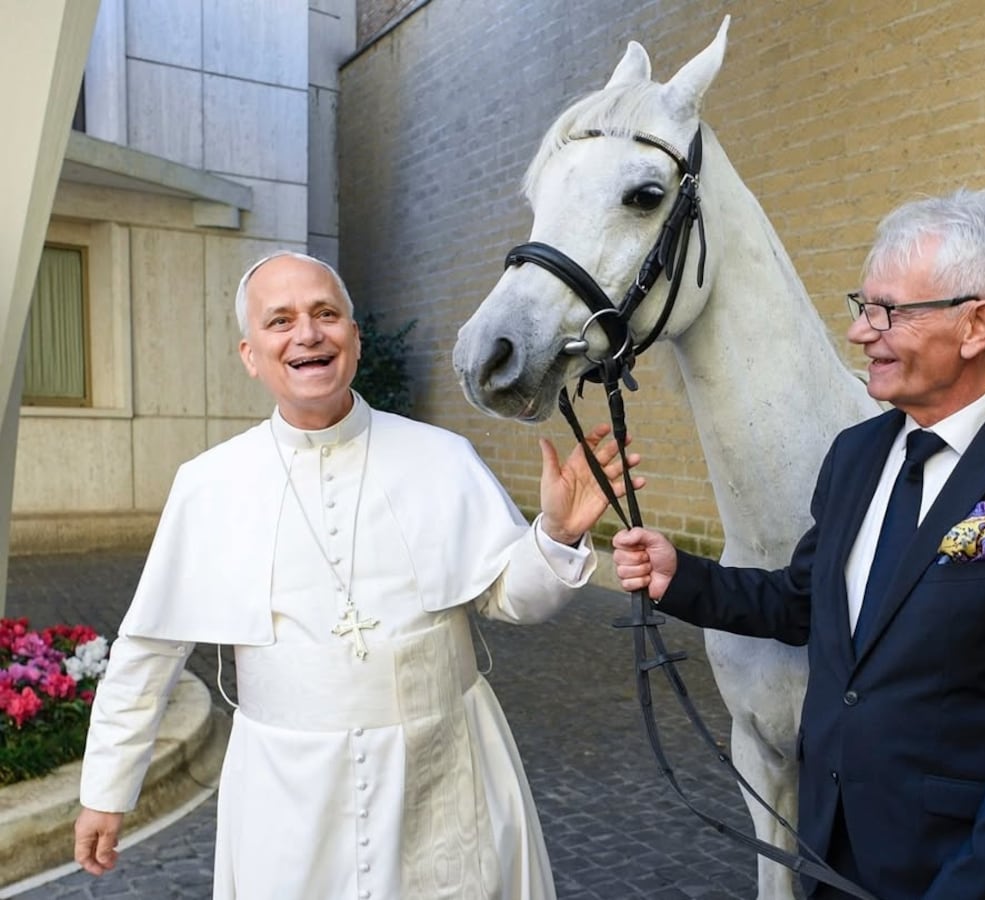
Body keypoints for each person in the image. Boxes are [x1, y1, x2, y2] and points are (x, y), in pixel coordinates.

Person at [612, 188, 985, 900]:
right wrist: (683, 577)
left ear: (977, 324)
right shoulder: (854, 455)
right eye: (864, 306)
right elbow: (804, 603)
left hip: (956, 872)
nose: (861, 333)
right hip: (827, 849)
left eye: (888, 312)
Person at [74, 250, 642, 900]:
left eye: (325, 314)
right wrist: (105, 792)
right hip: (286, 795)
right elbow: (149, 651)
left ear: (354, 336)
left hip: (445, 770)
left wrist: (556, 536)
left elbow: (511, 598)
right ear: (250, 355)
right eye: (280, 321)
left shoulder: (441, 457)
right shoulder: (208, 486)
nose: (308, 334)